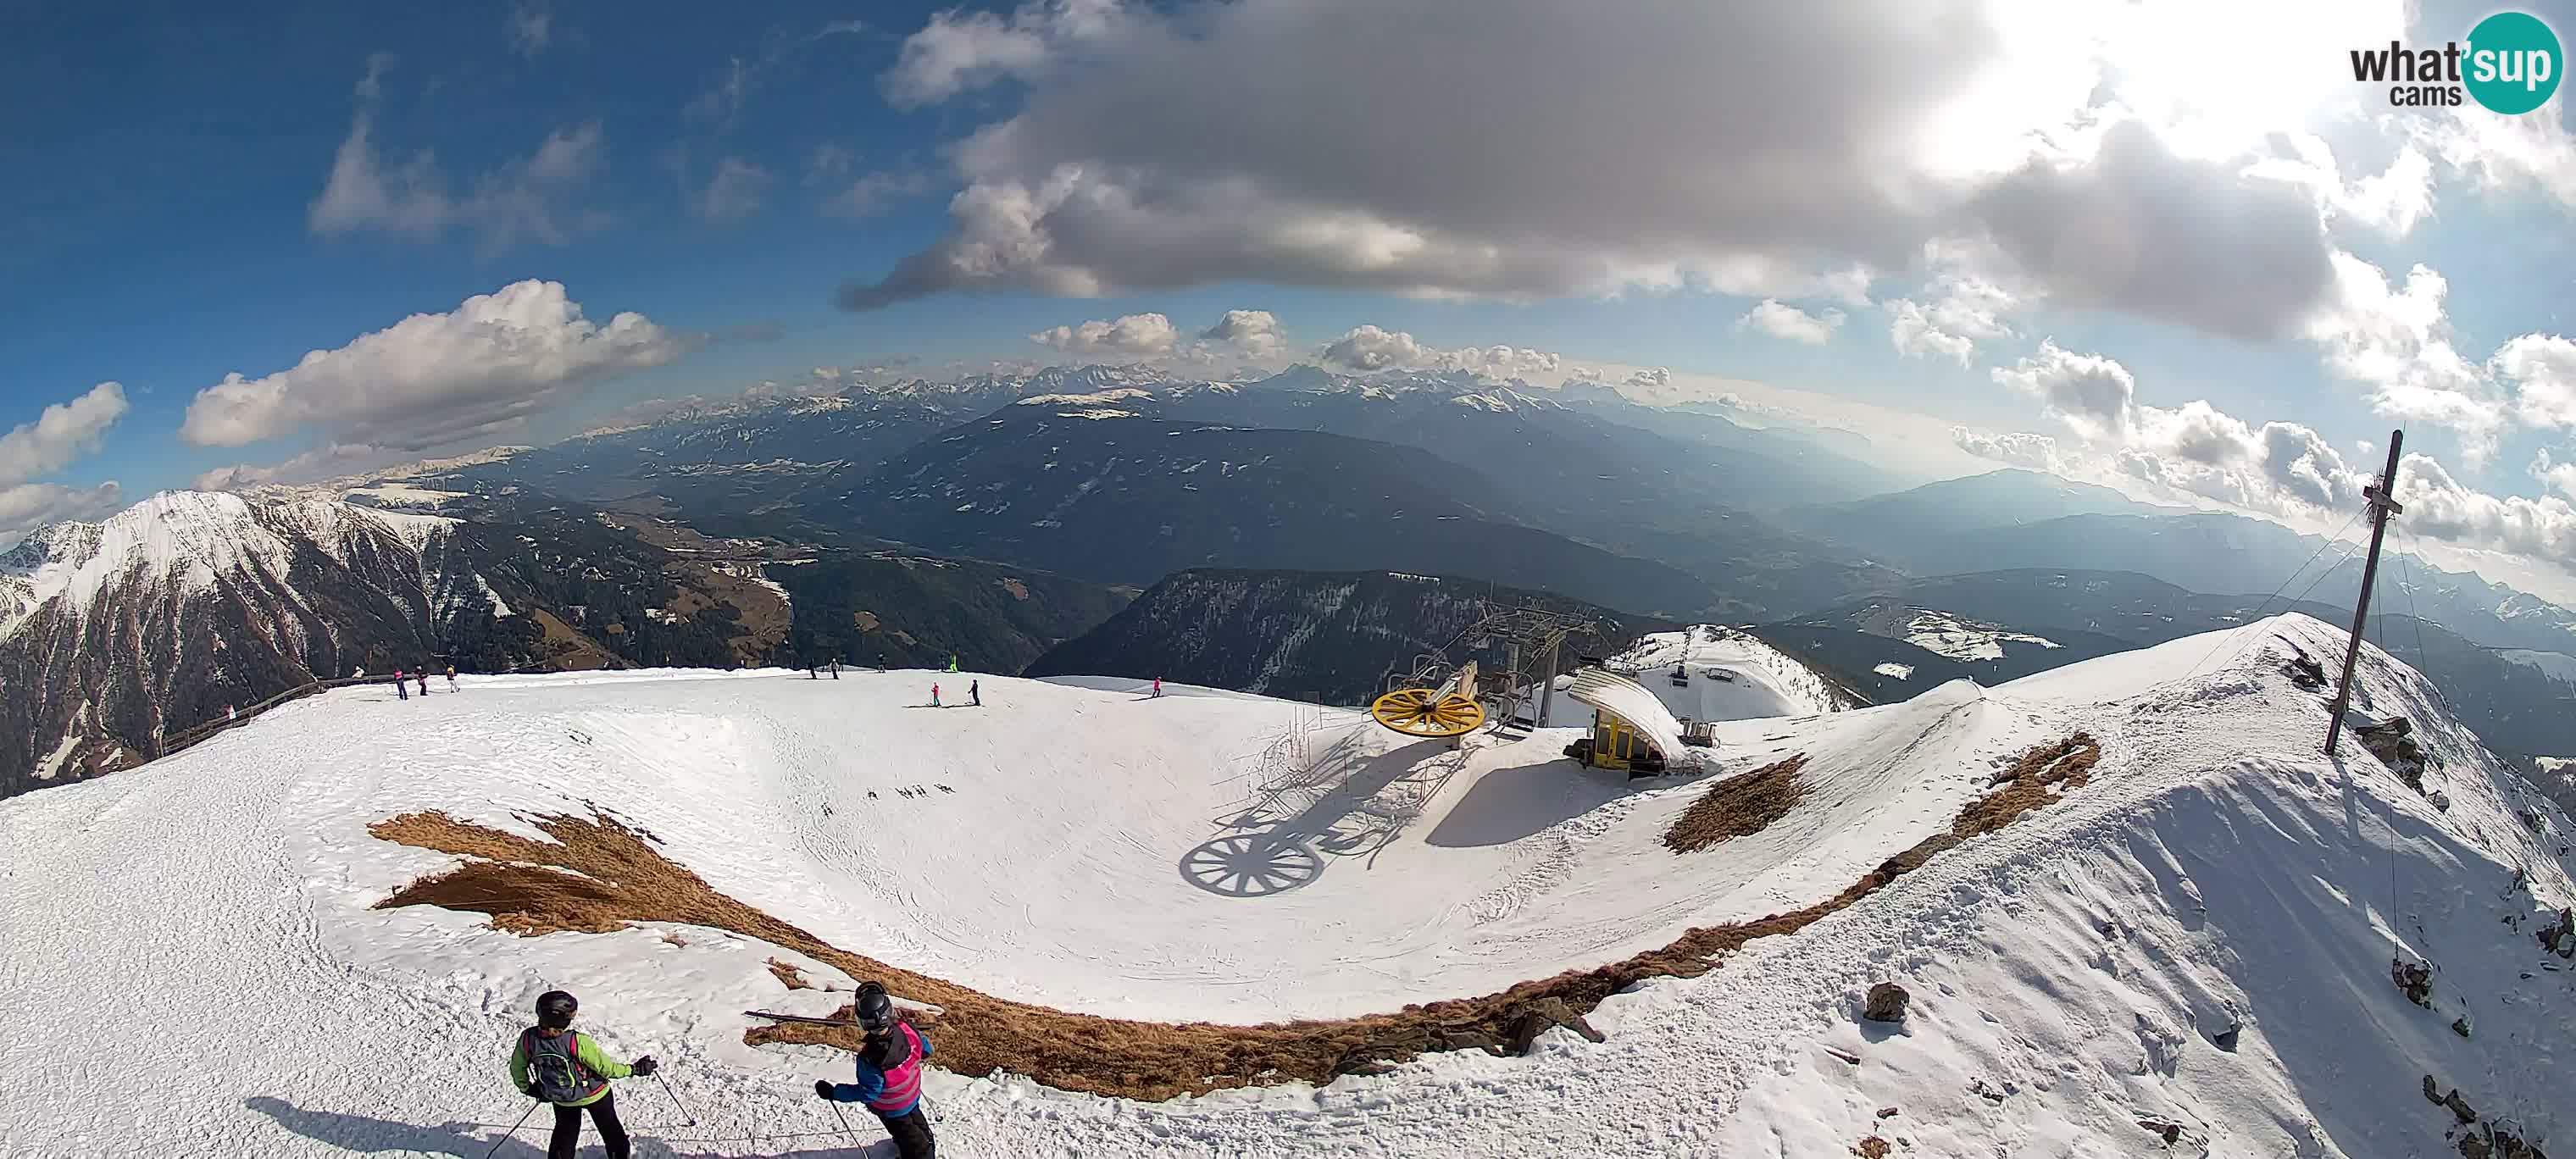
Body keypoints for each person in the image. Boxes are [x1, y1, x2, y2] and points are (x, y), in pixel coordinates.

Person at [510, 990, 658, 1159]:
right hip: (596, 1095)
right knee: (611, 1130)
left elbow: (517, 1068)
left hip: (562, 1099)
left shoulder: (528, 1039)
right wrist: (635, 1069)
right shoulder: (577, 1042)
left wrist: (529, 1089)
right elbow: (607, 1069)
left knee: (564, 1136)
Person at [814, 983, 935, 1158]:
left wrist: (834, 1092)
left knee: (915, 1145)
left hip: (890, 1110)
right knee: (920, 1131)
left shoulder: (869, 1059)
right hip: (911, 1096)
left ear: (863, 1023)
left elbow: (869, 1093)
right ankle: (922, 1145)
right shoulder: (907, 1029)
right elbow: (926, 1050)